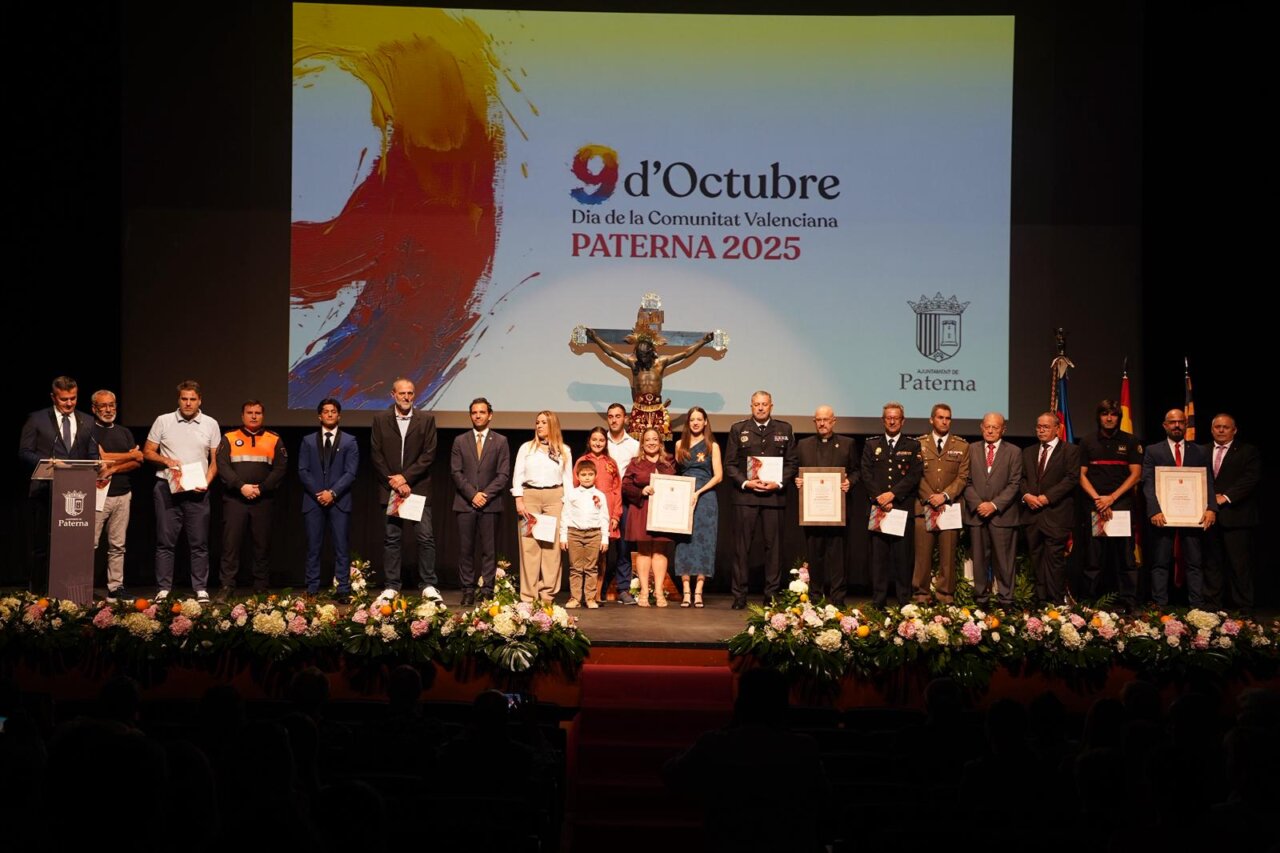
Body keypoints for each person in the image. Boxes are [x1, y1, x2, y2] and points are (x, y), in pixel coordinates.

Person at [18, 376, 99, 591]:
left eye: (73, 398)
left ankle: (72, 592)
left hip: (77, 492)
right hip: (44, 491)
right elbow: (25, 452)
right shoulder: (37, 419)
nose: (69, 403)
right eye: (64, 399)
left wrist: (98, 466)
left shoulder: (87, 421)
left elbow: (92, 454)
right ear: (53, 397)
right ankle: (37, 593)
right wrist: (48, 462)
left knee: (73, 546)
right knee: (42, 546)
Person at [143, 380, 220, 602]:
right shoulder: (163, 421)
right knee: (165, 542)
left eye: (192, 399)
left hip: (197, 490)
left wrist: (206, 482)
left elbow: (215, 461)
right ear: (178, 400)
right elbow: (148, 452)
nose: (188, 403)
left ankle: (200, 588)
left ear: (200, 401)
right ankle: (163, 588)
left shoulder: (210, 424)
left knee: (199, 542)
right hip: (166, 488)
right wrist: (166, 460)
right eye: (184, 399)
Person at [723, 391, 797, 609]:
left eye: (764, 404)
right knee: (741, 549)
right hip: (745, 498)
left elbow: (792, 463)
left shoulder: (784, 429)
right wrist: (746, 482)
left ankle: (771, 596)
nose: (761, 408)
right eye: (757, 404)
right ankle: (739, 596)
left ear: (771, 406)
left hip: (774, 498)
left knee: (774, 550)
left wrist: (779, 483)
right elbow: (730, 464)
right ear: (751, 406)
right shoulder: (739, 429)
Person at [370, 377, 439, 601]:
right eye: (402, 393)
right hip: (391, 487)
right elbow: (376, 454)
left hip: (417, 487)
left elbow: (429, 454)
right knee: (392, 538)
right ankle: (392, 585)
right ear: (393, 395)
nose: (406, 397)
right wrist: (396, 482)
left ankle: (428, 584)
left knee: (425, 538)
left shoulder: (426, 419)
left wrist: (406, 478)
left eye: (410, 393)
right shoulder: (380, 420)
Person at [583, 329, 715, 440]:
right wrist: (595, 338)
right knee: (636, 443)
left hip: (657, 408)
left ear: (652, 351)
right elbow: (611, 352)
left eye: (645, 355)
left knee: (657, 442)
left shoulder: (661, 363)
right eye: (640, 355)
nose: (643, 358)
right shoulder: (633, 363)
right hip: (639, 408)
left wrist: (703, 341)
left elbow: (685, 354)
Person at [1143, 408, 1216, 608]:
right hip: (1163, 515)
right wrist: (1154, 510)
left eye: (1181, 422)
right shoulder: (1153, 451)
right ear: (1165, 425)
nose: (1177, 425)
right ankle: (1159, 607)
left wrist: (1211, 508)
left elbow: (1208, 481)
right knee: (1160, 562)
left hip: (1193, 516)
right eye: (1172, 422)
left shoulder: (1200, 451)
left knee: (1194, 563)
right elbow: (1147, 483)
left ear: (1186, 424)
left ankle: (1197, 608)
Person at [216, 401, 287, 596]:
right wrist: (241, 486)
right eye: (249, 412)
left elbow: (280, 468)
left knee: (262, 545)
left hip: (263, 500)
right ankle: (227, 586)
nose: (254, 416)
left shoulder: (274, 439)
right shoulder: (229, 437)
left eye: (257, 413)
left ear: (263, 415)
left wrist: (261, 488)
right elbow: (222, 465)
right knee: (230, 545)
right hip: (235, 500)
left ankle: (261, 587)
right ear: (242, 416)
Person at [1078, 399, 1142, 609]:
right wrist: (1099, 500)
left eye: (1113, 414)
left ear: (1119, 417)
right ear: (1099, 417)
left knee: (1125, 557)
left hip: (1121, 505)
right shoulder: (1087, 441)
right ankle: (1089, 604)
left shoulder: (1130, 441)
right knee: (1093, 558)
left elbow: (1136, 475)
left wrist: (1112, 498)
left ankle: (1129, 603)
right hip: (1096, 505)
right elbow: (1081, 475)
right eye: (1105, 414)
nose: (1109, 418)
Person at [860, 402, 923, 608]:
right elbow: (866, 473)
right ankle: (878, 602)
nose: (892, 421)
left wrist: (893, 495)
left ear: (903, 421)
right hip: (878, 508)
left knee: (903, 560)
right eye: (889, 418)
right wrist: (879, 497)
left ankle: (904, 603)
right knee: (878, 560)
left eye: (896, 418)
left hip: (901, 509)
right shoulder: (871, 444)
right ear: (883, 420)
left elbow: (914, 475)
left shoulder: (913, 445)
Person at [449, 397, 511, 606]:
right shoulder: (460, 441)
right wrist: (472, 495)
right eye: (474, 412)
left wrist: (485, 495)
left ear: (490, 415)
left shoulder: (500, 441)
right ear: (470, 415)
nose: (478, 416)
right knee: (466, 550)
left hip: (490, 504)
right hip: (465, 503)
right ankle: (467, 590)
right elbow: (456, 472)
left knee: (489, 551)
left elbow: (503, 474)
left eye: (482, 412)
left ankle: (487, 590)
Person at [793, 405, 856, 607]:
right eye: (818, 420)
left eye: (826, 419)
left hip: (837, 512)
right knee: (815, 556)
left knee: (838, 558)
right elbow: (794, 470)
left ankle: (838, 599)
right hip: (812, 512)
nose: (822, 423)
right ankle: (815, 597)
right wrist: (797, 480)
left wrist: (850, 482)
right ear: (814, 422)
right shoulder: (803, 445)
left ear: (833, 421)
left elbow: (856, 471)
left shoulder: (847, 444)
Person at [297, 397, 359, 602]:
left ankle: (343, 589)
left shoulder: (350, 441)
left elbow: (351, 472)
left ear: (339, 415)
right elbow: (303, 470)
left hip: (339, 501)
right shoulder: (308, 441)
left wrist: (332, 493)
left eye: (333, 411)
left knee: (341, 547)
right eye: (326, 411)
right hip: (313, 501)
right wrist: (319, 493)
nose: (330, 414)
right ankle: (312, 588)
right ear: (319, 416)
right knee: (313, 547)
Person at [1020, 412, 1082, 606]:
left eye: (1046, 427)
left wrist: (1048, 497)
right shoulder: (1028, 452)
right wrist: (1026, 495)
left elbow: (1071, 478)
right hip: (1032, 516)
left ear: (1058, 429)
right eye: (1039, 427)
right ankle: (1040, 601)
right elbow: (1021, 479)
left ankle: (1056, 602)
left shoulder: (1070, 451)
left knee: (1054, 560)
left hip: (1056, 515)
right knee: (1036, 559)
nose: (1041, 430)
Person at [963, 412, 1023, 608]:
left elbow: (1014, 484)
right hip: (977, 515)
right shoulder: (970, 449)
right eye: (987, 426)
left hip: (1002, 516)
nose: (990, 430)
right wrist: (978, 504)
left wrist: (994, 505)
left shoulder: (1014, 451)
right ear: (981, 427)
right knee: (979, 561)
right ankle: (981, 601)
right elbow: (966, 481)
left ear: (1003, 430)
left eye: (995, 427)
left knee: (1004, 563)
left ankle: (1006, 601)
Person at [511, 410, 572, 603]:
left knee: (551, 548)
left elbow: (568, 480)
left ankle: (547, 594)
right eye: (537, 422)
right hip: (530, 496)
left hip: (554, 497)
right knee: (529, 546)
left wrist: (568, 506)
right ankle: (528, 596)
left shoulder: (564, 450)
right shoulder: (526, 448)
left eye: (544, 422)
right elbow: (518, 475)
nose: (539, 425)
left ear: (552, 424)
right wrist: (519, 499)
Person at [911, 403, 969, 604]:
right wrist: (930, 496)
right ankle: (921, 596)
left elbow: (962, 477)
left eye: (947, 418)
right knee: (922, 557)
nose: (944, 421)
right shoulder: (918, 444)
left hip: (948, 508)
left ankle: (945, 597)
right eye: (940, 417)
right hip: (924, 507)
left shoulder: (961, 446)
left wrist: (944, 496)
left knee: (948, 557)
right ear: (931, 419)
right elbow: (915, 475)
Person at [89, 390, 143, 602]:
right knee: (90, 543)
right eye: (103, 406)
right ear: (94, 408)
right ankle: (83, 584)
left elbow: (138, 462)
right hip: (97, 493)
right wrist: (130, 454)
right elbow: (101, 457)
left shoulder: (124, 432)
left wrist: (113, 468)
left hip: (123, 493)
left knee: (118, 545)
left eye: (112, 405)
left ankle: (115, 586)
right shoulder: (88, 430)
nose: (108, 409)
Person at [1203, 414, 1260, 614]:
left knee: (1239, 566)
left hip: (1237, 517)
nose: (1221, 430)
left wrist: (1225, 497)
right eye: (1217, 427)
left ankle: (1244, 608)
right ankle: (1212, 607)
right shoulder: (1202, 450)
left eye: (1225, 427)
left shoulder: (1248, 451)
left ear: (1234, 430)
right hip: (1208, 516)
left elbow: (1250, 479)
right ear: (1211, 430)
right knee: (1211, 563)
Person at [622, 427, 677, 606]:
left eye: (655, 439)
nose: (651, 442)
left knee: (660, 550)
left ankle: (659, 592)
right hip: (642, 509)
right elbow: (625, 486)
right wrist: (641, 490)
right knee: (644, 550)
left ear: (660, 442)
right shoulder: (635, 463)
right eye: (647, 440)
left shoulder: (669, 461)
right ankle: (644, 591)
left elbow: (678, 485)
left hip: (664, 511)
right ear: (642, 444)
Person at [674, 407, 722, 609]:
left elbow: (718, 476)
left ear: (705, 422)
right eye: (692, 419)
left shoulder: (712, 445)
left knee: (705, 543)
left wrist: (699, 492)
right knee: (684, 542)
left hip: (706, 498)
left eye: (699, 419)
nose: (695, 422)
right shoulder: (679, 444)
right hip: (684, 497)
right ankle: (686, 591)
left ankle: (699, 592)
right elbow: (677, 473)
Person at [577, 427, 622, 603]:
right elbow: (574, 488)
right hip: (586, 514)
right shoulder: (582, 461)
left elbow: (617, 490)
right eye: (594, 439)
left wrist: (616, 515)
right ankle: (582, 593)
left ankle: (596, 593)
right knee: (585, 556)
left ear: (606, 442)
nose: (597, 443)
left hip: (606, 513)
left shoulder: (611, 463)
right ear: (589, 441)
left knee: (602, 555)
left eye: (601, 440)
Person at [561, 457, 610, 608]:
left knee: (591, 568)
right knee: (575, 567)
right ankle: (575, 598)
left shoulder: (600, 495)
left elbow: (604, 517)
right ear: (577, 476)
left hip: (594, 534)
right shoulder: (572, 494)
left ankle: (590, 598)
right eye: (583, 474)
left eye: (590, 474)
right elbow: (565, 515)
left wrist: (605, 538)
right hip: (574, 533)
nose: (587, 477)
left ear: (595, 475)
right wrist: (563, 536)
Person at [605, 403, 639, 604]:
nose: (614, 420)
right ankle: (596, 588)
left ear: (625, 419)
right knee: (600, 545)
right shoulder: (601, 441)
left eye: (618, 416)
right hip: (602, 501)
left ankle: (623, 588)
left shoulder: (634, 445)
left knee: (624, 546)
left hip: (625, 500)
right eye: (610, 416)